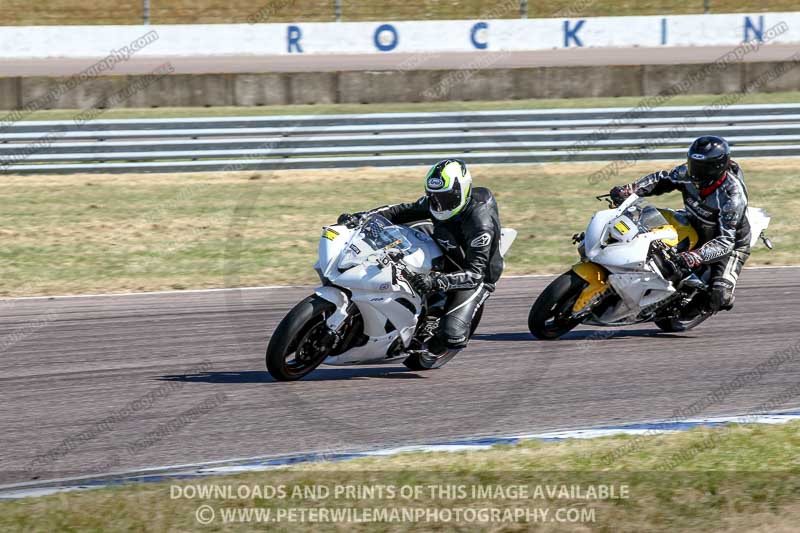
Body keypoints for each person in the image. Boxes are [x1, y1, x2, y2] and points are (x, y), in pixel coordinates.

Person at [337, 159, 503, 368]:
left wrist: (435, 281)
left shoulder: (480, 225)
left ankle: (431, 346)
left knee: (452, 334)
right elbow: (399, 211)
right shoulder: (434, 204)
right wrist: (362, 218)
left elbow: (475, 274)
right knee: (395, 238)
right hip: (444, 246)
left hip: (474, 275)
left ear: (462, 191)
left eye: (445, 198)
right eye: (434, 197)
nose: (439, 204)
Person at [609, 135, 750, 313]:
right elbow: (662, 179)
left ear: (717, 167)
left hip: (729, 244)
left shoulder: (732, 196)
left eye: (702, 168)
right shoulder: (686, 173)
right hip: (692, 222)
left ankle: (699, 305)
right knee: (640, 223)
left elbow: (726, 242)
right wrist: (630, 190)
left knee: (718, 296)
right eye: (693, 164)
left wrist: (695, 256)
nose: (695, 172)